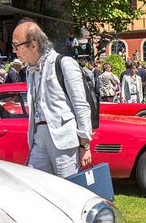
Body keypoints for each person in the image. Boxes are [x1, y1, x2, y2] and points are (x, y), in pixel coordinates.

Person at [11, 19, 92, 177]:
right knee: (35, 183)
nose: (14, 50)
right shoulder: (30, 70)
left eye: (16, 45)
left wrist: (85, 145)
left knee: (67, 188)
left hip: (63, 137)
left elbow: (81, 105)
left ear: (33, 44)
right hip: (39, 135)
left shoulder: (64, 63)